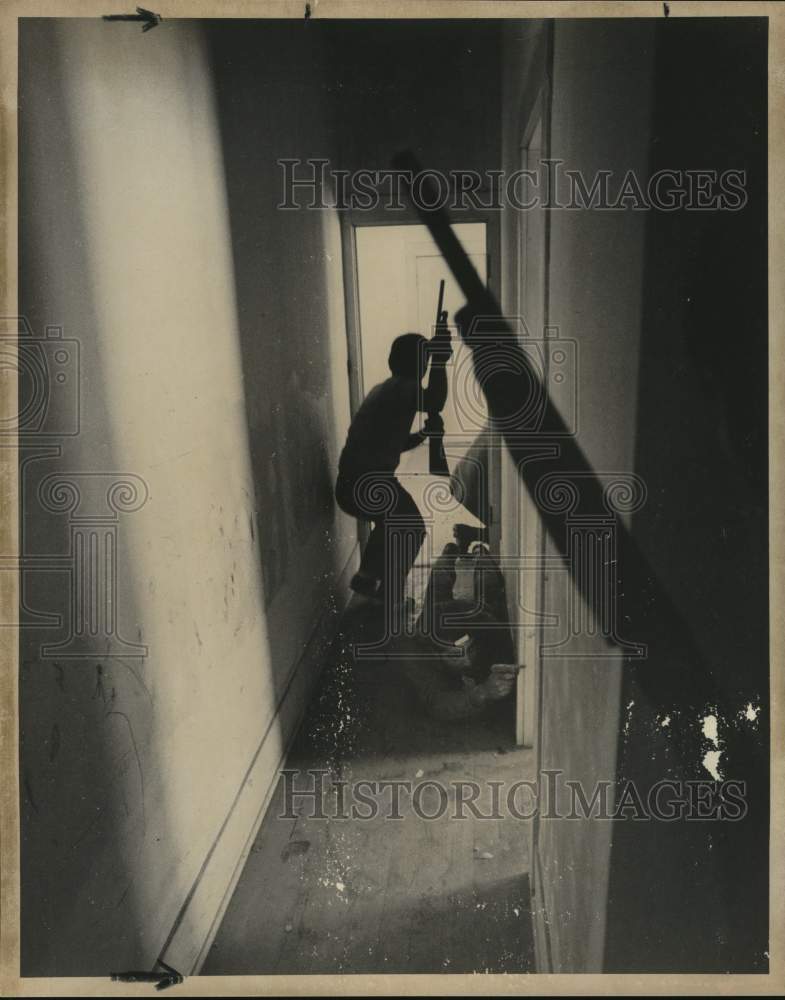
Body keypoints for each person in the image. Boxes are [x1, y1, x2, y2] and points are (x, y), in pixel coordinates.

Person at [335, 326, 451, 606]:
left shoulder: (386, 390)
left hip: (354, 484)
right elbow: (435, 400)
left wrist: (423, 435)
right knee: (410, 528)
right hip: (369, 483)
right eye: (425, 361)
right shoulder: (405, 387)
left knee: (398, 526)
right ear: (420, 364)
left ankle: (379, 585)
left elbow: (390, 443)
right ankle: (381, 588)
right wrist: (441, 361)